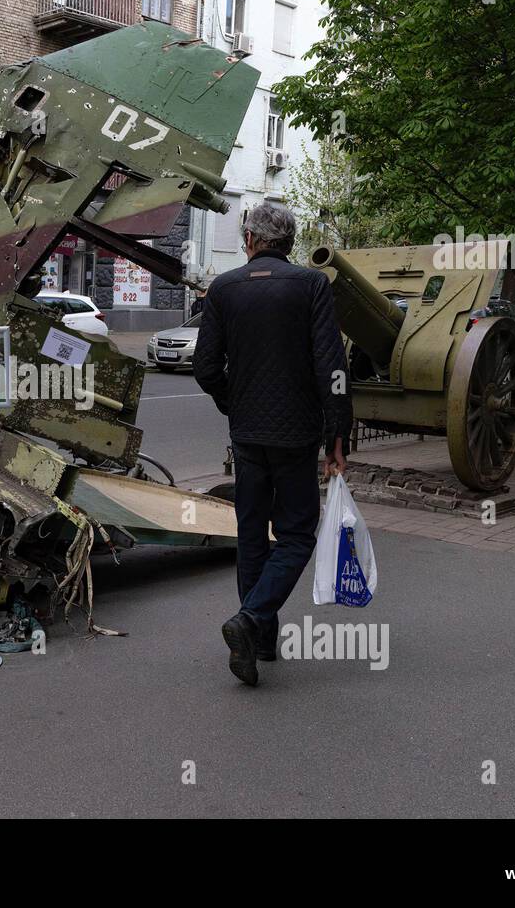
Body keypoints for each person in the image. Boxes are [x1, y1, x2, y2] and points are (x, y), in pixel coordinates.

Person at [193, 203, 352, 686]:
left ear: (249, 240)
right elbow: (333, 370)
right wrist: (337, 437)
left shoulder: (223, 289)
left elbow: (205, 368)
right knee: (298, 534)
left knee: (250, 535)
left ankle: (260, 639)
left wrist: (233, 404)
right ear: (289, 241)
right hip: (296, 436)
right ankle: (251, 619)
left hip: (246, 436)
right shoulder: (310, 287)